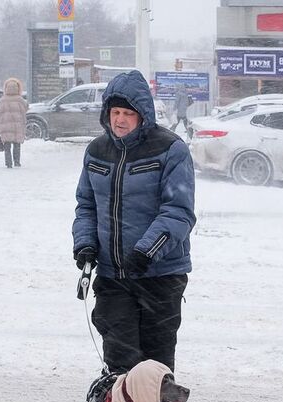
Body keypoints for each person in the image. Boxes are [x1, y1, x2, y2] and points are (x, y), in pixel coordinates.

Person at [72, 70, 196, 375]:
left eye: (128, 113)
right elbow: (86, 206)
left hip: (160, 276)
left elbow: (178, 212)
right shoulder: (97, 151)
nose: (120, 120)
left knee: (155, 369)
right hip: (113, 277)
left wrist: (146, 251)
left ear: (143, 114)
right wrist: (85, 244)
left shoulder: (170, 150)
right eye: (115, 112)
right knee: (120, 361)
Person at [0, 78, 28, 168]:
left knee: (7, 146)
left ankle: (8, 163)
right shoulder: (20, 100)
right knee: (17, 145)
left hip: (5, 127)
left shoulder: (2, 100)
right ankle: (17, 161)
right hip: (18, 127)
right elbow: (26, 109)